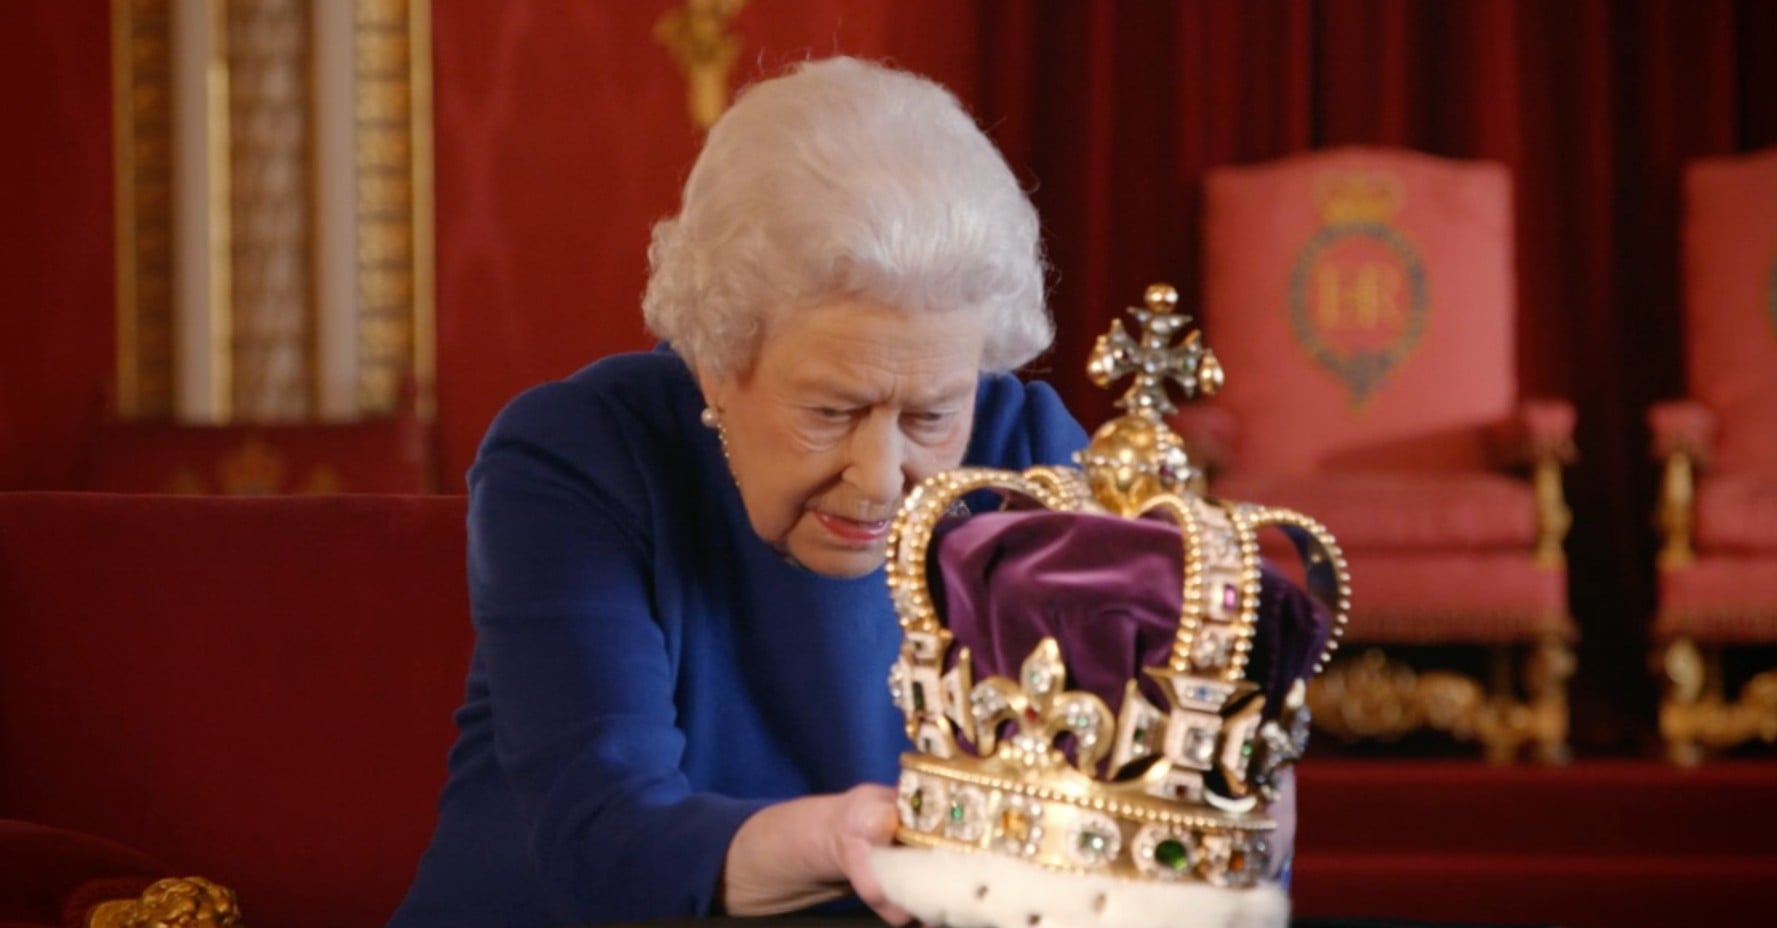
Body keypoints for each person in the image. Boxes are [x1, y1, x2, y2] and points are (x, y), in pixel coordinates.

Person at [389, 56, 1088, 928]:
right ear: (717, 362)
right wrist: (844, 843)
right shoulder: (579, 458)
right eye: (831, 411)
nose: (878, 479)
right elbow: (605, 837)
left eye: (932, 415)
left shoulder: (1028, 453)